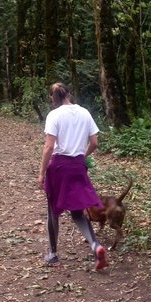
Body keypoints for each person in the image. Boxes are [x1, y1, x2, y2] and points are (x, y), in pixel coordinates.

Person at [38, 82, 108, 270]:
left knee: (53, 211)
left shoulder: (54, 115)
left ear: (53, 98)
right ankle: (96, 246)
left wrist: (42, 172)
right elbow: (94, 142)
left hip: (59, 166)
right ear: (69, 93)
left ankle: (52, 254)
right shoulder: (84, 112)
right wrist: (82, 156)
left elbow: (49, 147)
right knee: (77, 211)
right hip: (78, 165)